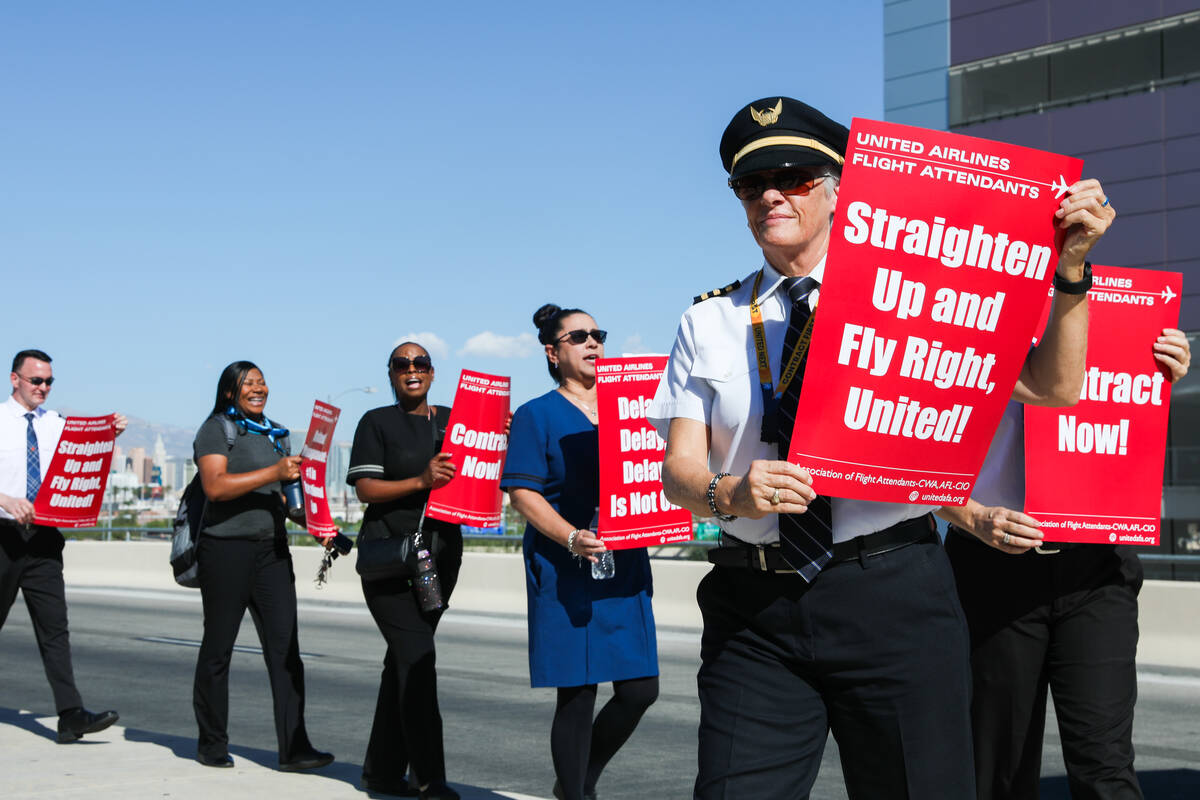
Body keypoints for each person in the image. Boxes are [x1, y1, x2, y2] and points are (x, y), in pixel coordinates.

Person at [647, 96, 1113, 799]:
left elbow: (1052, 387)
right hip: (755, 607)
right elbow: (679, 471)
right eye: (752, 184)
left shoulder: (914, 296)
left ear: (839, 189)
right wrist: (729, 493)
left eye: (796, 176)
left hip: (893, 595)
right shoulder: (708, 320)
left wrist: (1070, 272)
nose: (772, 194)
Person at [938, 328, 1191, 800]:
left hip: (1097, 564)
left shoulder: (1109, 306)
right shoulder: (964, 309)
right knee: (999, 769)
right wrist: (970, 517)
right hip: (992, 560)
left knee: (1106, 766)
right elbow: (906, 455)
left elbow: (1124, 404)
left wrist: (1159, 367)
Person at [501, 304, 659, 800]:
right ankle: (574, 792)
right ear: (553, 352)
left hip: (623, 563)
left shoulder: (632, 410)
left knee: (640, 690)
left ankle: (578, 778)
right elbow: (522, 493)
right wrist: (570, 536)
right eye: (578, 337)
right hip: (566, 562)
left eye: (598, 334)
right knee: (577, 693)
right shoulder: (535, 415)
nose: (593, 343)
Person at [191, 360, 332, 771]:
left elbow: (288, 503)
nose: (258, 388)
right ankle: (212, 742)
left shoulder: (277, 435)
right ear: (230, 392)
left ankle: (294, 748)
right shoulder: (217, 429)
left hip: (272, 552)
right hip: (225, 551)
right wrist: (273, 470)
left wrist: (321, 526)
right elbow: (215, 487)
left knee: (285, 651)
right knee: (218, 649)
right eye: (247, 383)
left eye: (262, 381)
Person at [346, 341, 462, 800]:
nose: (412, 370)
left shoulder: (453, 419)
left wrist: (500, 433)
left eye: (421, 364)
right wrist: (420, 481)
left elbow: (482, 468)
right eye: (402, 365)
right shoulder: (376, 422)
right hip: (389, 562)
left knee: (402, 663)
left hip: (438, 563)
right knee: (418, 659)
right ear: (392, 373)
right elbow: (366, 489)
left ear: (432, 372)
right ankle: (430, 779)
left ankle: (380, 772)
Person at [0, 349, 126, 743]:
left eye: (49, 381)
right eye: (36, 380)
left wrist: (110, 433)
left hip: (44, 539)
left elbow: (82, 457)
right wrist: (4, 499)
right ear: (14, 379)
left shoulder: (57, 424)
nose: (43, 388)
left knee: (55, 630)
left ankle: (71, 715)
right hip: (2, 536)